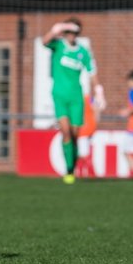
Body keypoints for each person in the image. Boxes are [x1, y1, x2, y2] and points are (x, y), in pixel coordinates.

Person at [41, 17, 95, 184]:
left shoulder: (82, 52)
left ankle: (73, 164)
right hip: (60, 96)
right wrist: (57, 27)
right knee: (65, 131)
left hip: (76, 97)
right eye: (69, 32)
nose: (71, 35)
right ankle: (69, 170)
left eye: (74, 32)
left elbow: (92, 72)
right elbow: (45, 41)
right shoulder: (58, 45)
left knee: (75, 134)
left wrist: (98, 91)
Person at [74, 82, 105, 179]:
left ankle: (89, 172)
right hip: (90, 127)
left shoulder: (77, 100)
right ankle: (81, 172)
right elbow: (97, 110)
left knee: (83, 153)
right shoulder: (89, 99)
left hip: (82, 129)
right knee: (83, 151)